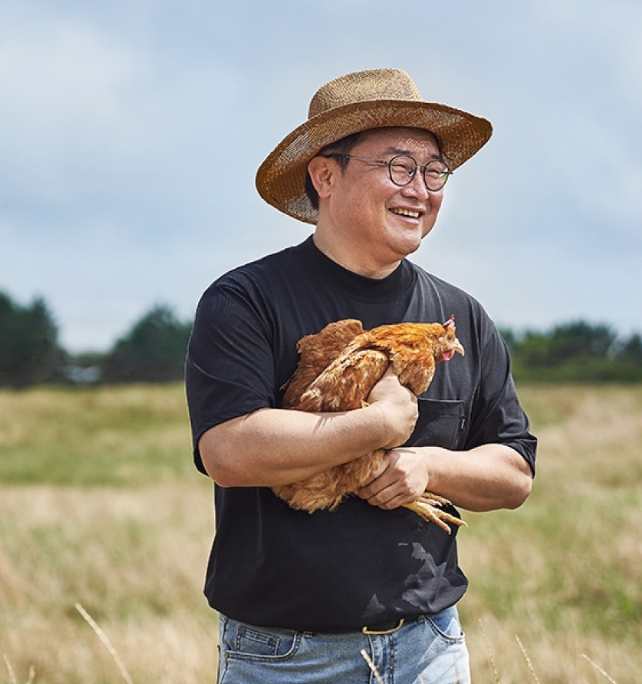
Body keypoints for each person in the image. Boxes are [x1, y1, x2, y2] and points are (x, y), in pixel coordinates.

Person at [184, 68, 537, 684]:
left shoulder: (461, 318)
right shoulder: (246, 300)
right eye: (400, 167)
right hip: (285, 658)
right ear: (325, 175)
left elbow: (515, 472)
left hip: (428, 647)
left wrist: (430, 466)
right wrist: (377, 425)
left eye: (434, 172)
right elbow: (228, 451)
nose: (422, 190)